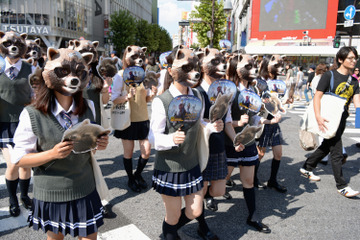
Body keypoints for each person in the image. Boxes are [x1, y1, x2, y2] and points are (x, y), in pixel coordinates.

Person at [10, 48, 109, 239]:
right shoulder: (32, 114)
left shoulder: (88, 106)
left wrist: (98, 144)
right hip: (51, 192)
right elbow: (19, 159)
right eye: (63, 71)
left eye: (79, 73)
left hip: (84, 187)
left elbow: (89, 151)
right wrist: (52, 154)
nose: (73, 78)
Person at [149, 47, 223, 240]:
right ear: (172, 71)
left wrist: (212, 126)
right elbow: (153, 137)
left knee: (195, 211)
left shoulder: (198, 95)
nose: (195, 72)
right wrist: (170, 139)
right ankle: (169, 232)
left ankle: (170, 231)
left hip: (192, 163)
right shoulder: (161, 101)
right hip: (170, 167)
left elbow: (199, 124)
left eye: (196, 67)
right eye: (187, 68)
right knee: (173, 216)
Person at [300, 46, 360, 198]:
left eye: (355, 58)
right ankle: (342, 186)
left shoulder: (354, 81)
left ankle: (307, 167)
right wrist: (318, 117)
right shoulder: (329, 75)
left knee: (326, 146)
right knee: (337, 152)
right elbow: (317, 97)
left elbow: (357, 101)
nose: (354, 61)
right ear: (341, 59)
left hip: (342, 119)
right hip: (327, 118)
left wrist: (359, 120)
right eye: (350, 58)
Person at [224, 54, 271, 233]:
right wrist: (237, 123)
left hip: (249, 141)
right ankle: (208, 197)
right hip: (231, 141)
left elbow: (256, 116)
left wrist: (266, 121)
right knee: (223, 180)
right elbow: (223, 120)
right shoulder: (229, 90)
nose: (253, 69)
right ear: (237, 68)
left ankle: (253, 216)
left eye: (254, 65)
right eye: (248, 66)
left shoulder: (254, 90)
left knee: (248, 181)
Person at [111, 46, 157, 193]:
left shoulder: (144, 75)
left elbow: (146, 98)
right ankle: (131, 179)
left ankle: (137, 174)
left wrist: (153, 94)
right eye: (134, 55)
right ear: (126, 56)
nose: (139, 58)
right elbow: (114, 99)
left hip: (143, 118)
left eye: (141, 55)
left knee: (146, 151)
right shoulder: (120, 75)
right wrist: (126, 97)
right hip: (127, 119)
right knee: (129, 153)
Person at [0, 32, 34, 217]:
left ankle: (24, 196)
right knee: (13, 163)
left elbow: (36, 92)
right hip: (4, 122)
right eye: (7, 43)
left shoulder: (30, 68)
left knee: (26, 164)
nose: (12, 47)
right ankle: (12, 199)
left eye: (17, 43)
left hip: (25, 121)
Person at [255, 55, 286, 193]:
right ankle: (252, 178)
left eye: (281, 63)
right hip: (263, 121)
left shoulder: (278, 82)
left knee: (278, 153)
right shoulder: (259, 81)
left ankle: (273, 180)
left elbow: (278, 102)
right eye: (277, 63)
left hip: (274, 122)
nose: (280, 66)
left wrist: (284, 104)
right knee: (260, 154)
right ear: (267, 64)